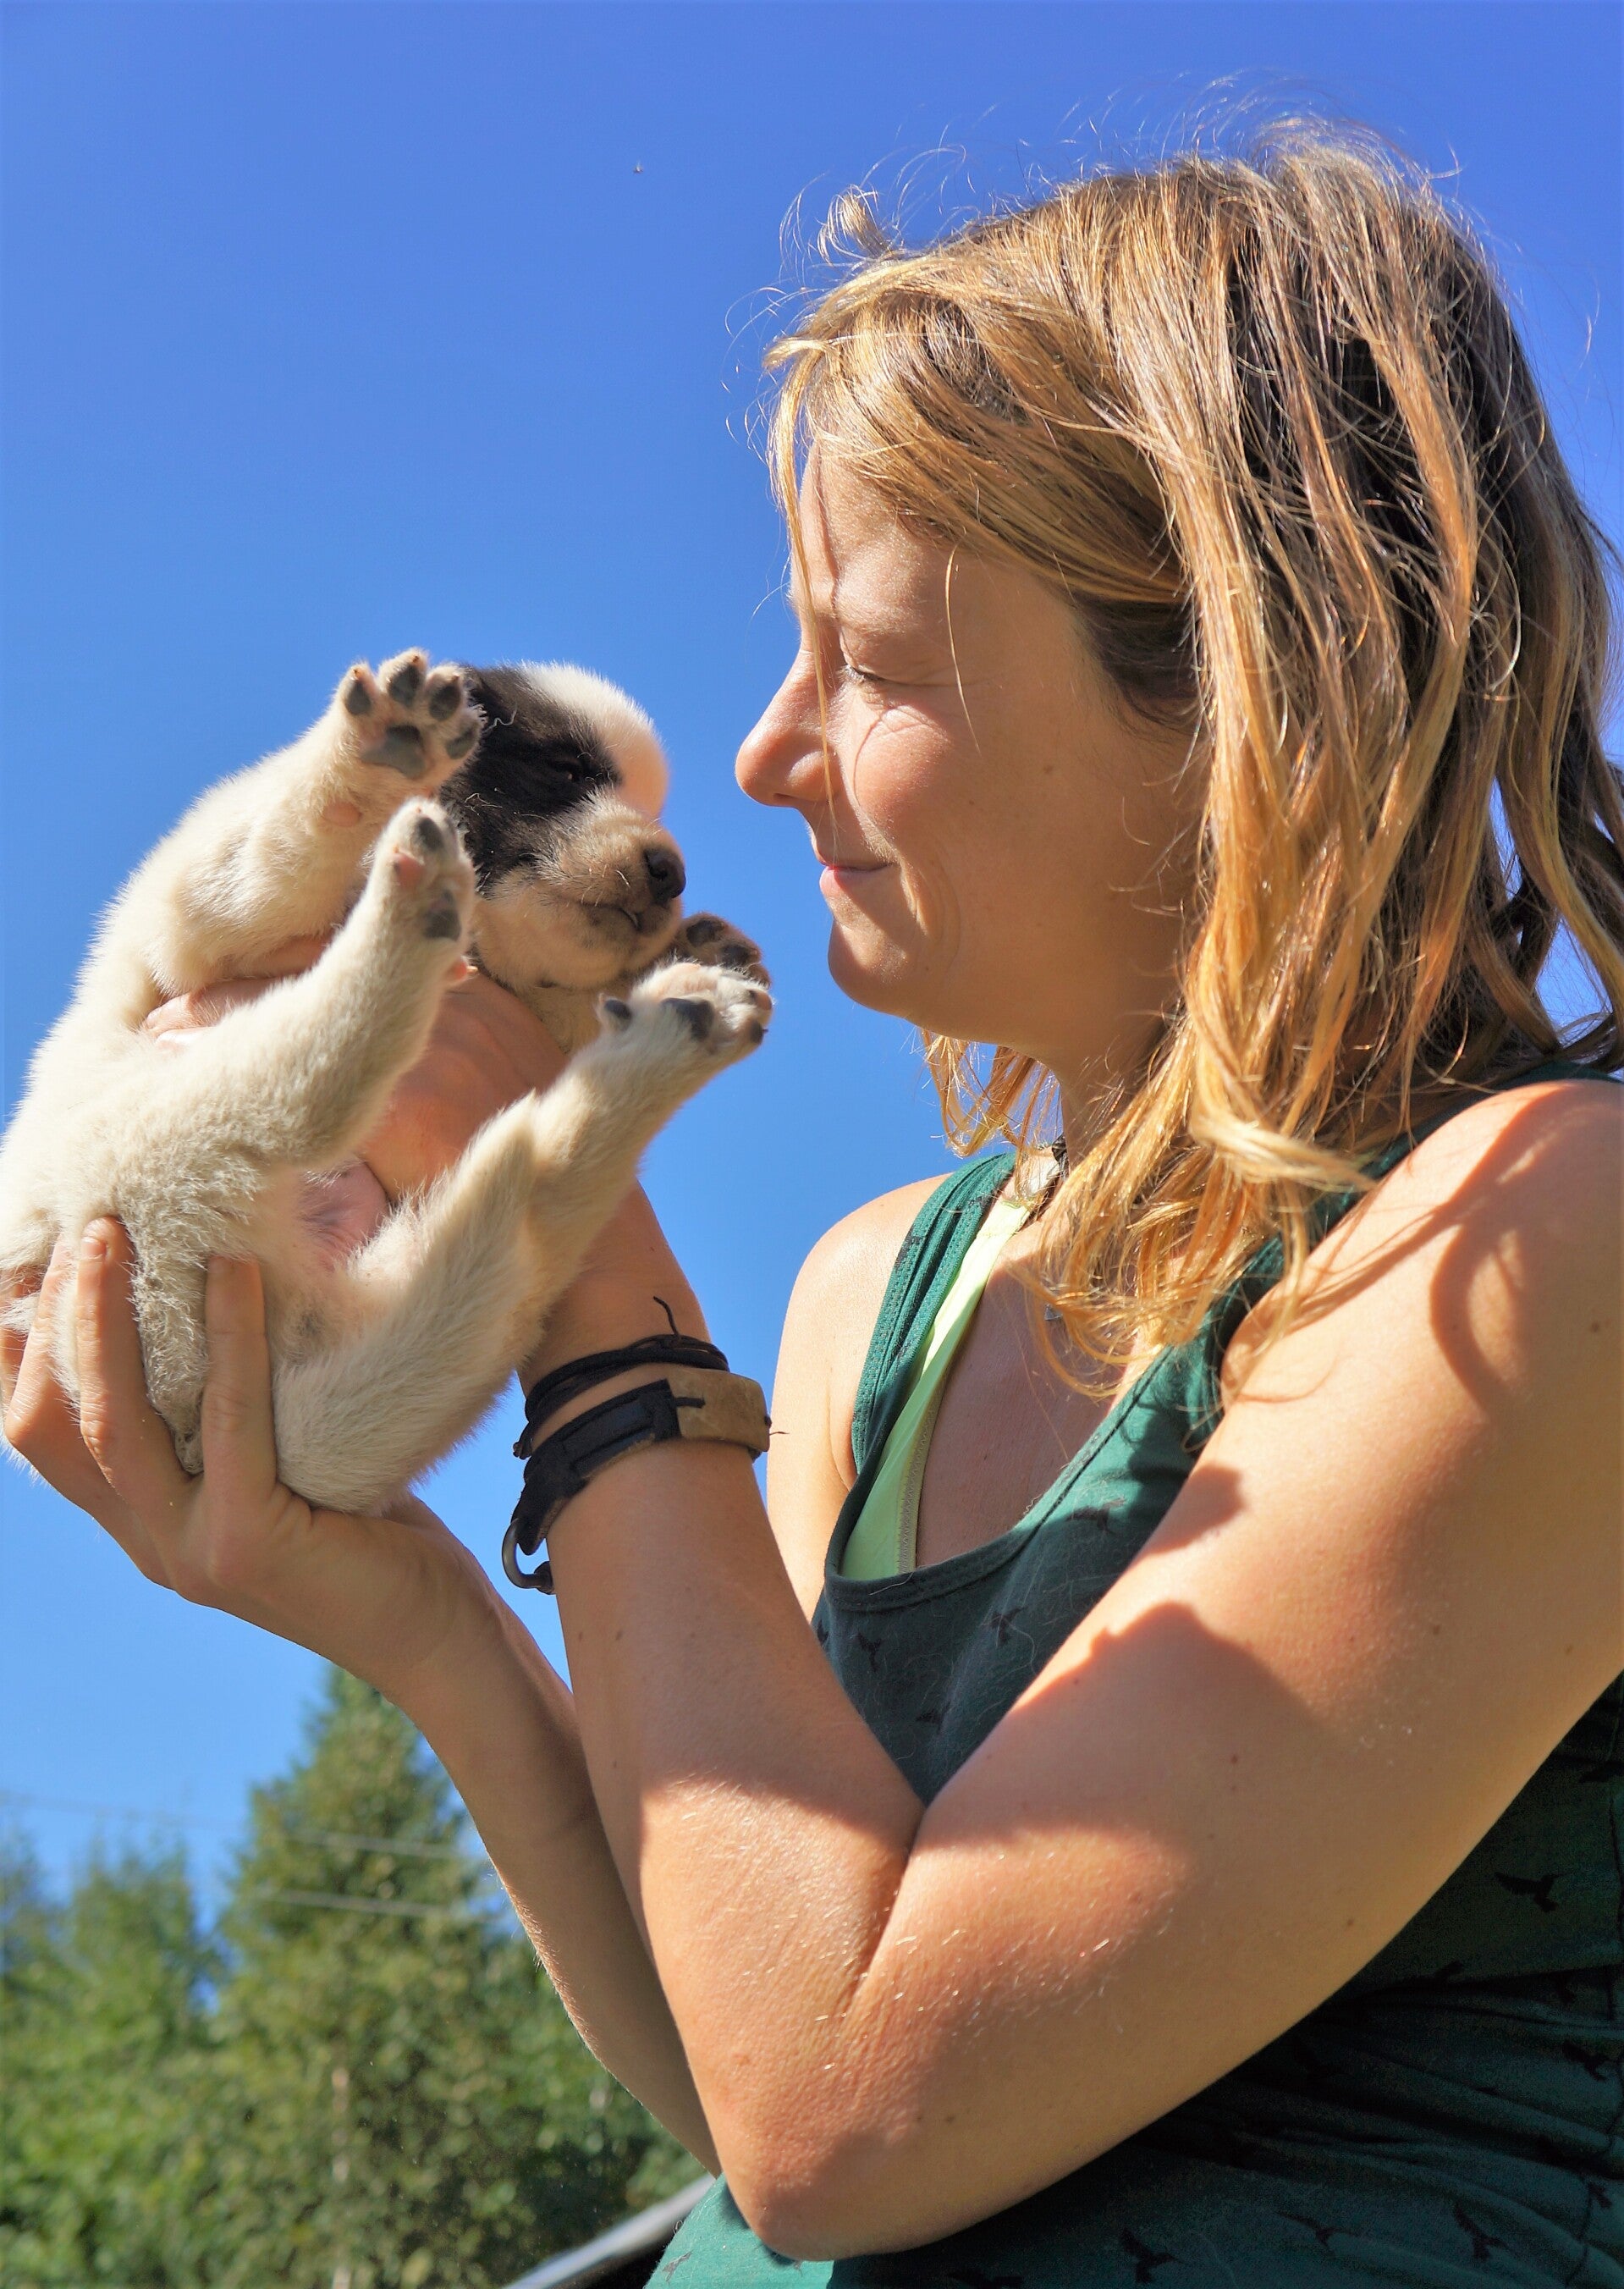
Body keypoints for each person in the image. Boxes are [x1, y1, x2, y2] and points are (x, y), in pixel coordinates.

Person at [5, 128, 1622, 2286]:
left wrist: (562, 1214)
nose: (770, 754)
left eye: (869, 663)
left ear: (1248, 687)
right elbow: (744, 2042)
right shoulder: (888, 1294)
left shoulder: (1544, 1241)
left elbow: (846, 2107)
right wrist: (415, 1617)